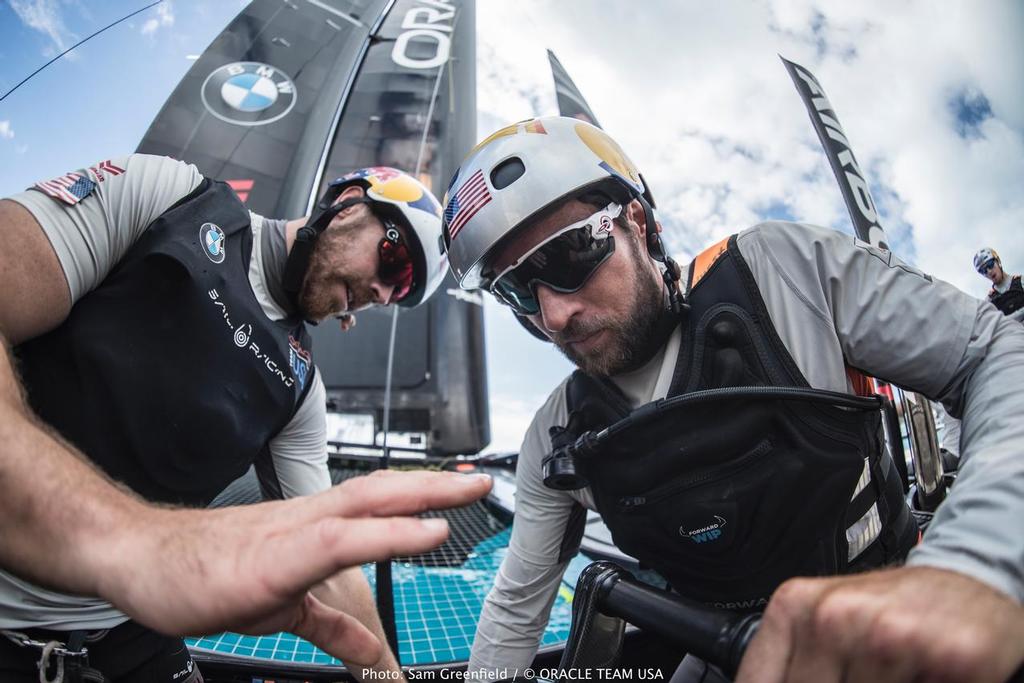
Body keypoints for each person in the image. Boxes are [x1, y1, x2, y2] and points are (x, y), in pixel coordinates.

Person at [442, 117, 1024, 683]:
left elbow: (993, 352)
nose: (554, 315)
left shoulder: (783, 274)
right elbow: (518, 605)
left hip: (898, 624)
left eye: (569, 255)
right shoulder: (557, 437)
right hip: (724, 652)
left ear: (638, 224)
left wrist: (974, 565)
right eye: (517, 290)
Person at [0, 156, 458, 682]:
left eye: (399, 293)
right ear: (348, 205)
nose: (383, 293)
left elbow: (327, 548)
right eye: (394, 262)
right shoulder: (170, 198)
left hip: (131, 629)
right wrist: (125, 537)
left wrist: (383, 674)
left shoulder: (300, 389)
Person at [974, 247, 1024, 321]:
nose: (989, 271)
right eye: (983, 271)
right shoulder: (989, 301)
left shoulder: (1021, 281)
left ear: (998, 261)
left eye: (990, 265)